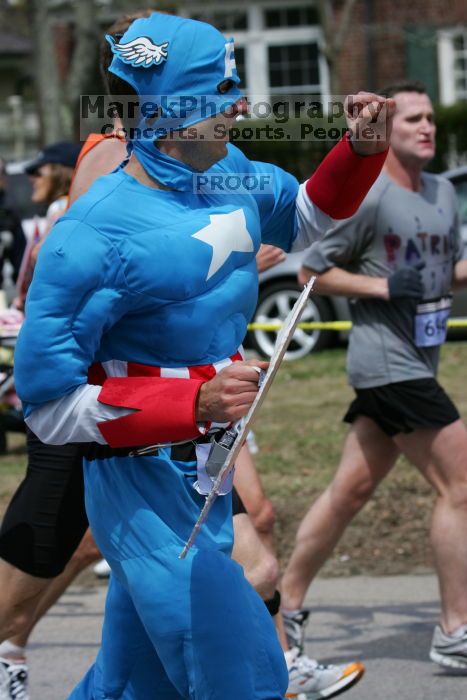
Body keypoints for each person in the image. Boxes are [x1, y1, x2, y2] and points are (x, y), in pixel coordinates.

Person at [14, 12, 393, 699]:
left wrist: (359, 148)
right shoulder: (92, 235)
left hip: (204, 482)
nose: (240, 103)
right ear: (165, 109)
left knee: (134, 685)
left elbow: (308, 217)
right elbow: (44, 407)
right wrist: (188, 403)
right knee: (242, 674)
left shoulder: (234, 174)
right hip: (137, 490)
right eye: (219, 90)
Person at [280, 80, 467, 672]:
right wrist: (385, 286)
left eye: (431, 117)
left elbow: (444, 270)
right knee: (460, 486)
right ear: (386, 130)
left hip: (421, 355)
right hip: (387, 363)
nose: (427, 127)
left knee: (349, 492)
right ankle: (455, 630)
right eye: (412, 118)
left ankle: (285, 605)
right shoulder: (370, 196)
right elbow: (312, 270)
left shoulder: (442, 192)